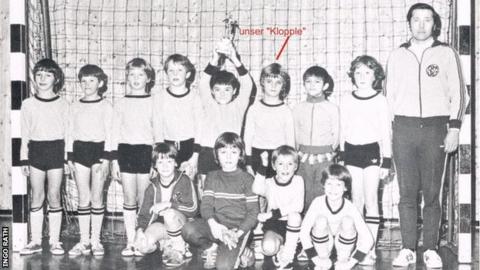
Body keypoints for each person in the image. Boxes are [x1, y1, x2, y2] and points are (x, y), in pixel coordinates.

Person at [385, 3, 467, 268]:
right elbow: (389, 97)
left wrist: (454, 128)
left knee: (432, 194)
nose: (421, 25)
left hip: (435, 129)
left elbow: (460, 93)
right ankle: (408, 248)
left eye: (427, 20)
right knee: (407, 193)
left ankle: (430, 248)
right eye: (416, 20)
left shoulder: (446, 53)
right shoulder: (397, 55)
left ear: (435, 24)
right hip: (404, 130)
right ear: (409, 23)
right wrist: (389, 133)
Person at [339, 55, 391, 264]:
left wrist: (386, 160)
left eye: (367, 72)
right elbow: (343, 129)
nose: (362, 76)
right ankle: (358, 245)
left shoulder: (380, 100)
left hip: (372, 152)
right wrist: (342, 156)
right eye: (358, 72)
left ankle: (369, 248)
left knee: (371, 200)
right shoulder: (346, 98)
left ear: (375, 76)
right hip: (351, 152)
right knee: (356, 201)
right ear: (352, 75)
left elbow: (386, 133)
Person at [182, 132, 259, 270]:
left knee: (223, 266)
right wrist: (215, 226)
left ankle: (247, 253)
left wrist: (237, 233)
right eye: (223, 152)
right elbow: (206, 206)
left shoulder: (248, 179)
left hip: (238, 229)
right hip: (217, 227)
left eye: (234, 152)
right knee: (188, 230)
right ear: (216, 155)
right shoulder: (212, 176)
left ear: (241, 154)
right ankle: (212, 247)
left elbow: (253, 214)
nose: (228, 157)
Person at [110, 57, 162, 256]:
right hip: (125, 152)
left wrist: (155, 161)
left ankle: (144, 239)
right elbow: (114, 133)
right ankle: (130, 240)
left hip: (146, 152)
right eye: (132, 74)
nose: (136, 78)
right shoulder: (121, 103)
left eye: (141, 74)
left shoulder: (153, 102)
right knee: (129, 198)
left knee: (144, 198)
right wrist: (114, 160)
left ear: (148, 78)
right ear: (127, 78)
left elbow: (158, 132)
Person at [19, 59, 69, 255]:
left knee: (54, 195)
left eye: (48, 75)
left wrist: (67, 158)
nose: (43, 78)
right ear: (34, 77)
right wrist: (24, 158)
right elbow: (24, 133)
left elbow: (68, 133)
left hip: (56, 151)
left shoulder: (63, 104)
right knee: (37, 196)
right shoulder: (28, 104)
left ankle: (55, 241)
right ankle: (35, 241)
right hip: (36, 152)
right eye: (39, 74)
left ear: (55, 78)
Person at [197, 38, 254, 196]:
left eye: (227, 90)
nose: (222, 94)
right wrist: (215, 58)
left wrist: (235, 59)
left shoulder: (239, 106)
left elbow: (248, 84)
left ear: (234, 91)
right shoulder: (208, 104)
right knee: (207, 193)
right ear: (212, 91)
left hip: (231, 152)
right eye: (218, 89)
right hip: (208, 153)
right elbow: (203, 83)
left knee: (230, 193)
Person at [67, 64, 112, 257]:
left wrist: (108, 159)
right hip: (80, 152)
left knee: (97, 197)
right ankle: (84, 240)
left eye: (91, 80)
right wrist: (68, 156)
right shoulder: (74, 106)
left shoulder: (106, 106)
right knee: (83, 197)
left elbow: (111, 133)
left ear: (100, 83)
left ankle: (96, 240)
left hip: (99, 152)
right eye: (83, 80)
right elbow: (68, 132)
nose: (87, 84)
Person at [134, 143, 198, 267]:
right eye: (160, 162)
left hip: (182, 226)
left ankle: (179, 248)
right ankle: (165, 244)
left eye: (169, 161)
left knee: (169, 214)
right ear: (155, 166)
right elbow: (144, 214)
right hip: (161, 226)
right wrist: (140, 230)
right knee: (142, 246)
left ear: (175, 163)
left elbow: (193, 209)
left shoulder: (184, 180)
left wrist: (168, 204)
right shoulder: (151, 187)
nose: (165, 166)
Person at [300, 164, 374, 270]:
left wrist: (351, 263)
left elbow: (368, 239)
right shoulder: (317, 202)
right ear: (323, 185)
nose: (333, 189)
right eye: (329, 183)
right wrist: (315, 259)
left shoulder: (350, 206)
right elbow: (303, 233)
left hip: (343, 245)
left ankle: (343, 259)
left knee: (347, 221)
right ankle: (323, 257)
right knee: (320, 220)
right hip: (323, 245)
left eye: (338, 185)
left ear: (346, 188)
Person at [293, 65, 339, 213]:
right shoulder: (298, 108)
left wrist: (331, 151)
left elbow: (337, 133)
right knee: (303, 192)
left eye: (317, 82)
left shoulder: (331, 108)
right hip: (302, 157)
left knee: (323, 189)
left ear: (325, 85)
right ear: (304, 84)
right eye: (308, 81)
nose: (312, 85)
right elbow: (294, 132)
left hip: (324, 157)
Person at [252, 146, 304, 270]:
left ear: (295, 167)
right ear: (274, 166)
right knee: (268, 249)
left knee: (295, 216)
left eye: (290, 164)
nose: (285, 168)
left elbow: (298, 206)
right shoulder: (270, 182)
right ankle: (281, 248)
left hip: (294, 225)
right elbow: (256, 189)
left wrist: (271, 214)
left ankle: (287, 256)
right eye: (280, 164)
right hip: (275, 225)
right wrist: (263, 166)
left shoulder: (298, 180)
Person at [244, 63, 295, 178]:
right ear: (262, 82)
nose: (273, 86)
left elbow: (290, 141)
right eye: (269, 82)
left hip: (280, 158)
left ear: (283, 85)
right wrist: (248, 163)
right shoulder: (254, 109)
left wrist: (290, 163)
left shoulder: (286, 111)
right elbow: (248, 138)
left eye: (278, 82)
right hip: (257, 156)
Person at [156, 54, 202, 180]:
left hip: (189, 147)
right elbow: (157, 126)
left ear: (187, 74)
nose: (175, 74)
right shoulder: (159, 97)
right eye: (171, 70)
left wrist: (195, 155)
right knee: (167, 185)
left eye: (180, 70)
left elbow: (199, 127)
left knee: (187, 186)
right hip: (167, 146)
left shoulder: (195, 97)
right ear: (166, 73)